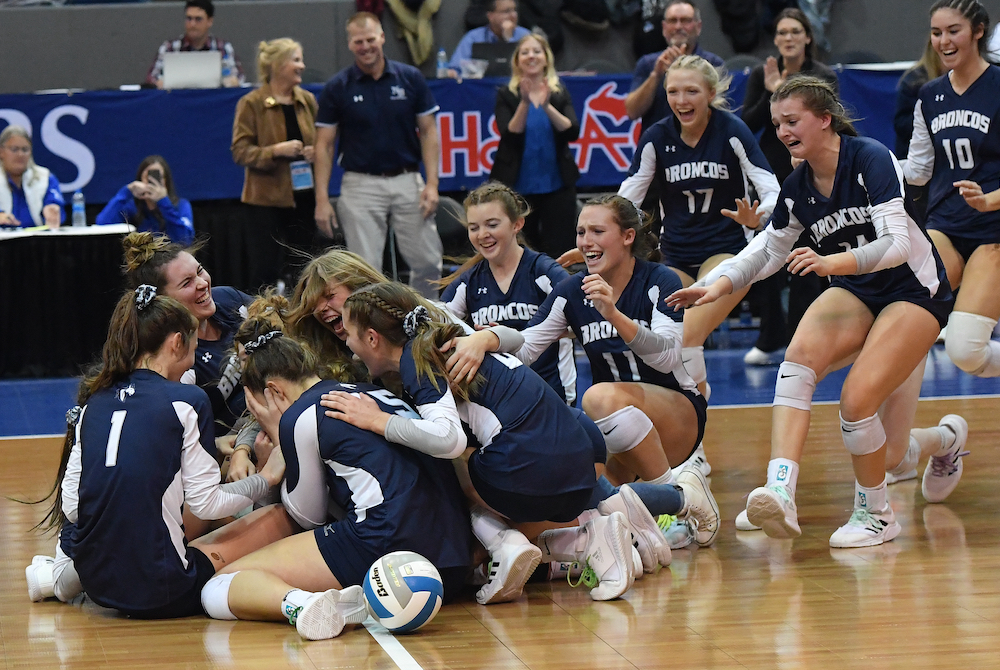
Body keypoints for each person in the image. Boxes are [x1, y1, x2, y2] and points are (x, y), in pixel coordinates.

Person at [667, 76, 957, 548]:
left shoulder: (870, 158)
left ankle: (877, 514)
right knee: (796, 362)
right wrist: (713, 286)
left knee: (858, 405)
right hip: (859, 291)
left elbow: (898, 244)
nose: (782, 131)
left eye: (792, 121)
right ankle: (780, 489)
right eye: (778, 123)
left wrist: (832, 262)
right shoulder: (798, 185)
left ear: (824, 120)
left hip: (915, 291)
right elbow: (765, 251)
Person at [25, 286, 284, 617]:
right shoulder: (188, 401)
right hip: (164, 591)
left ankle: (60, 579)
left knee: (145, 512)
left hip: (98, 584)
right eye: (193, 345)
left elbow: (74, 507)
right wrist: (267, 477)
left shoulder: (94, 401)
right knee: (277, 518)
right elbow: (208, 505)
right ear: (177, 343)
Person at [198, 329, 473, 640]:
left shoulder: (298, 416)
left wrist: (278, 437)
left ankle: (304, 604)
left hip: (386, 541)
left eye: (255, 406)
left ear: (272, 390)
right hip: (452, 556)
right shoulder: (369, 392)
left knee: (218, 587)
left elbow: (306, 516)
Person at [509, 195, 721, 546]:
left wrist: (614, 314)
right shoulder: (572, 291)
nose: (586, 242)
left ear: (627, 237)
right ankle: (677, 503)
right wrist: (483, 341)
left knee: (598, 396)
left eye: (596, 231)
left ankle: (673, 504)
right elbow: (527, 348)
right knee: (592, 506)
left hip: (678, 416)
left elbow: (668, 357)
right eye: (580, 232)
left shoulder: (659, 280)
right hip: (619, 429)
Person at [618, 55, 780, 427]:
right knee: (663, 339)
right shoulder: (657, 137)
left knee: (686, 335)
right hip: (675, 255)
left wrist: (759, 217)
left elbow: (772, 190)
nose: (681, 99)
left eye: (691, 91)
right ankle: (694, 422)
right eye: (673, 91)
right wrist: (598, 236)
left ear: (710, 93)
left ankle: (691, 438)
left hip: (729, 255)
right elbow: (627, 199)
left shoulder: (732, 130)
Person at [901, 0, 1000, 382]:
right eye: (936, 32)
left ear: (977, 31)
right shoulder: (929, 95)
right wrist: (849, 163)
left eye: (953, 31)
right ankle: (905, 439)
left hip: (993, 231)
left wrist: (989, 200)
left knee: (963, 348)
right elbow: (919, 171)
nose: (943, 41)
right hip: (945, 225)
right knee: (901, 317)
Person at [313, 12, 443, 300]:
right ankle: (375, 331)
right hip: (361, 185)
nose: (366, 47)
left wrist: (432, 183)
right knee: (364, 270)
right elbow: (323, 145)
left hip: (408, 180)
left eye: (371, 39)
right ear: (349, 44)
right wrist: (322, 199)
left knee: (428, 262)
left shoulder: (410, 78)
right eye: (359, 41)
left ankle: (431, 321)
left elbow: (429, 131)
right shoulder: (338, 87)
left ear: (382, 37)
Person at [740, 8, 837, 366]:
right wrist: (771, 93)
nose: (789, 38)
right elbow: (746, 125)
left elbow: (832, 124)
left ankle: (803, 337)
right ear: (776, 38)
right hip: (771, 175)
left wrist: (782, 92)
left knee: (806, 260)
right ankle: (770, 337)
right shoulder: (760, 74)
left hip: (810, 174)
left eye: (795, 31)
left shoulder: (821, 76)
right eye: (782, 32)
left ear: (807, 36)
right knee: (767, 252)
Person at [439, 182, 576, 403]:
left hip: (552, 398)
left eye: (492, 225)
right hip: (496, 402)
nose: (482, 234)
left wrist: (556, 330)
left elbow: (587, 318)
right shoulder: (467, 282)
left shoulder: (544, 272)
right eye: (474, 228)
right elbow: (436, 327)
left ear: (517, 224)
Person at [122, 233, 251, 444]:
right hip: (216, 451)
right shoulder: (173, 356)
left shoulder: (227, 300)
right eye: (187, 283)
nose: (202, 283)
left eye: (200, 271)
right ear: (164, 302)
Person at [232, 38, 322, 292]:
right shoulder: (252, 103)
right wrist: (275, 151)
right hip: (264, 203)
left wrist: (315, 152)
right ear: (277, 65)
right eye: (296, 60)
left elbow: (322, 141)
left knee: (306, 268)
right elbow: (240, 152)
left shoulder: (307, 101)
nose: (302, 66)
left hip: (303, 197)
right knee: (265, 270)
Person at [490, 32, 579, 260]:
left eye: (537, 51)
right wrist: (525, 102)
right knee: (522, 250)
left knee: (560, 248)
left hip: (556, 186)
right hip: (518, 187)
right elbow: (509, 134)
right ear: (517, 60)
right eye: (525, 52)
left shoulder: (558, 91)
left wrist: (547, 105)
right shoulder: (507, 93)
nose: (531, 56)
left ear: (546, 58)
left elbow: (572, 131)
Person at [624, 0, 724, 131]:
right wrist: (655, 76)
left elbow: (722, 116)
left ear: (698, 27)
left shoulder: (713, 64)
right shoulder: (647, 64)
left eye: (685, 20)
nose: (678, 27)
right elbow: (632, 112)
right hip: (657, 146)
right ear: (664, 28)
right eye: (672, 21)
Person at [96, 156, 194, 245]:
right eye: (148, 177)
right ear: (140, 180)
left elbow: (185, 240)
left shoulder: (181, 205)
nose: (152, 182)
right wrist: (126, 191)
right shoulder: (133, 207)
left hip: (171, 259)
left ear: (166, 181)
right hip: (143, 260)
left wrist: (164, 202)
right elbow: (102, 224)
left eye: (158, 177)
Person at [145, 0, 244, 89]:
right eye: (189, 18)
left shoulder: (223, 47)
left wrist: (232, 81)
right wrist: (158, 83)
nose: (192, 24)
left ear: (210, 21)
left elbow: (239, 77)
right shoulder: (169, 48)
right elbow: (151, 78)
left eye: (198, 19)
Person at [0, 125, 64, 229]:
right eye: (14, 149)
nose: (20, 155)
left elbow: (55, 205)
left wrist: (52, 211)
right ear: (1, 152)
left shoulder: (44, 178)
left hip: (36, 241)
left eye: (25, 150)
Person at [446, 0, 531, 76]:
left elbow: (529, 67)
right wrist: (453, 73)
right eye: (506, 11)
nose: (513, 15)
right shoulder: (473, 37)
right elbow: (455, 68)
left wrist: (509, 40)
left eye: (514, 10)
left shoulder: (525, 35)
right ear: (490, 16)